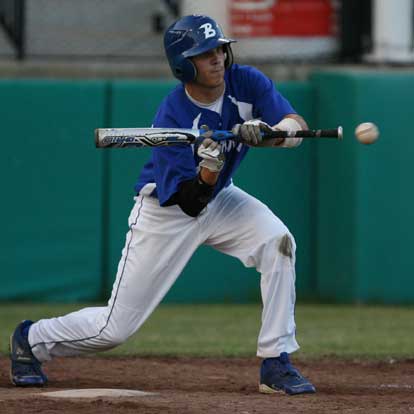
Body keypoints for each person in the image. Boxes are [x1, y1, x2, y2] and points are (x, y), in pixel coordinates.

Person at [10, 14, 315, 395]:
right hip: (168, 210)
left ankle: (276, 361)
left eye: (220, 49)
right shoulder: (172, 116)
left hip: (223, 198)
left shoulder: (246, 81)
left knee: (278, 241)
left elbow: (295, 124)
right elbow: (189, 202)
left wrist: (274, 133)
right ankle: (32, 338)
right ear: (183, 65)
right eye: (205, 54)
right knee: (114, 329)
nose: (218, 58)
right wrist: (209, 167)